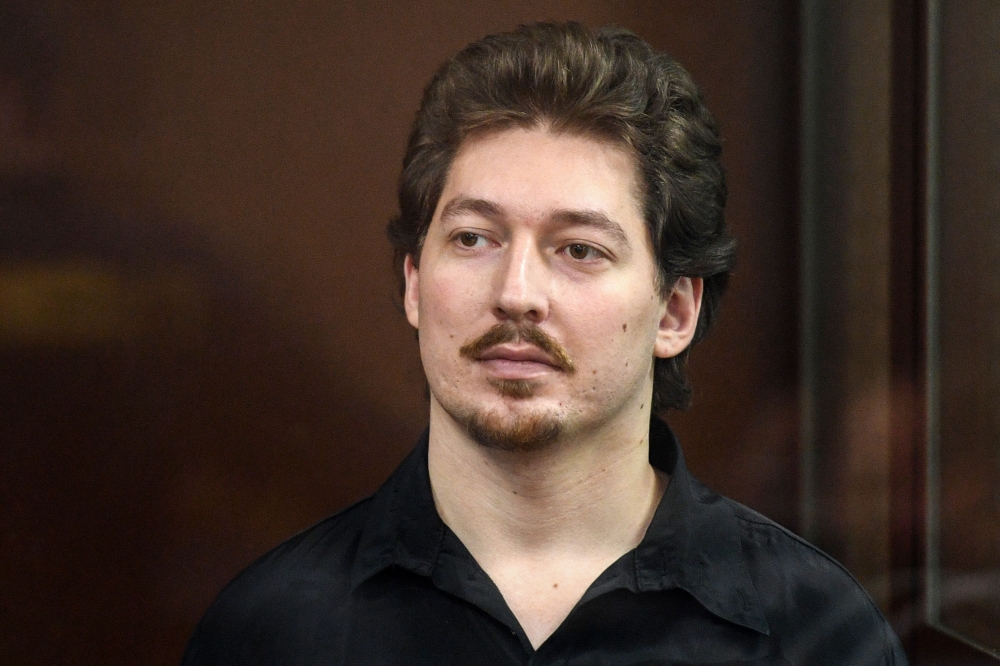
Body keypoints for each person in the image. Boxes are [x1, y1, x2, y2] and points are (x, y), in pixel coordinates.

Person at [182, 21, 908, 665]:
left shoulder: (815, 636)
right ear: (411, 282)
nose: (516, 292)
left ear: (674, 312)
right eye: (473, 238)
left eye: (580, 249)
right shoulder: (270, 632)